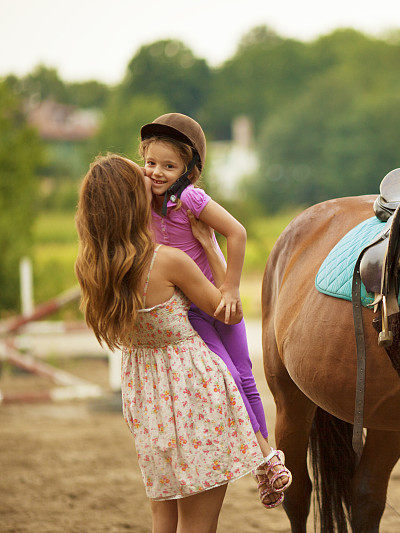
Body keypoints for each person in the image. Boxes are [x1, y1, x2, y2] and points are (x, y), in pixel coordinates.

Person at [75, 155, 265, 531]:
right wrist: (210, 245)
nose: (152, 175)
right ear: (132, 203)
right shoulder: (169, 262)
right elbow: (229, 314)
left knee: (163, 519)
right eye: (143, 176)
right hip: (193, 395)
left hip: (147, 399)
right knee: (199, 524)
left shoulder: (91, 267)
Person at [138, 113, 290, 507]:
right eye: (151, 162)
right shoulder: (143, 202)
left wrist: (232, 286)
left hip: (218, 301)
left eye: (169, 166)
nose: (157, 172)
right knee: (226, 374)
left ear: (188, 171)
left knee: (245, 375)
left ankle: (266, 459)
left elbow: (236, 232)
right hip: (190, 311)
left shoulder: (189, 199)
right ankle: (261, 460)